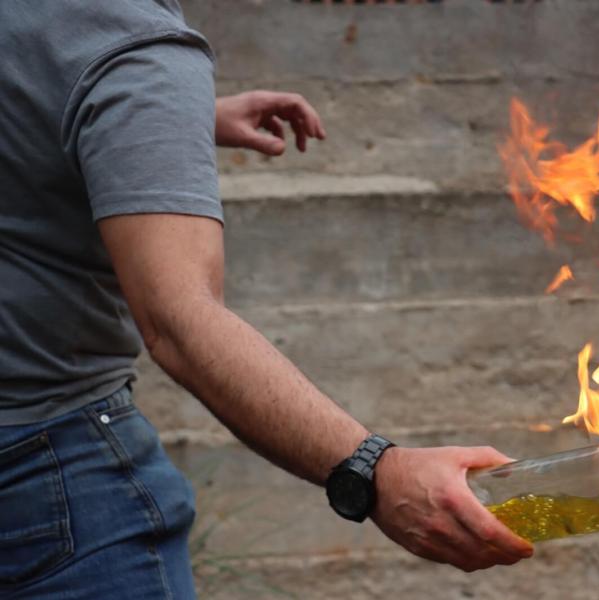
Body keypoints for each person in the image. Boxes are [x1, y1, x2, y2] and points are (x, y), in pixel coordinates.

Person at [0, 2, 532, 597]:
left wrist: (160, 121)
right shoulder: (129, 47)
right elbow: (179, 322)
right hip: (49, 482)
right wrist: (376, 471)